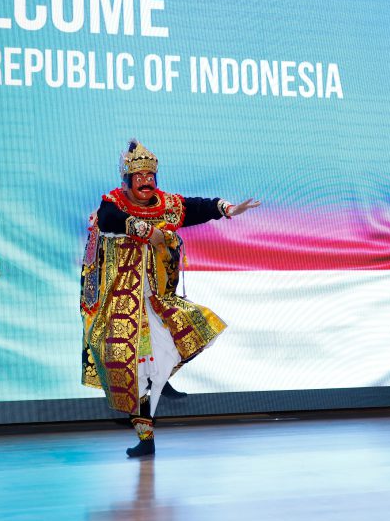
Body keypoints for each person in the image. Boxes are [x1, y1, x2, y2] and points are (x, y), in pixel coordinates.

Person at [79, 139, 260, 457]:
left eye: (150, 177)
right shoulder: (113, 203)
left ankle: (161, 379)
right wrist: (147, 232)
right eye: (139, 178)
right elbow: (110, 220)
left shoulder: (166, 204)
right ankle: (146, 437)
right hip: (121, 301)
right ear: (127, 181)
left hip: (154, 298)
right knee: (131, 372)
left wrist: (226, 208)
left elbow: (196, 207)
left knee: (178, 338)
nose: (146, 183)